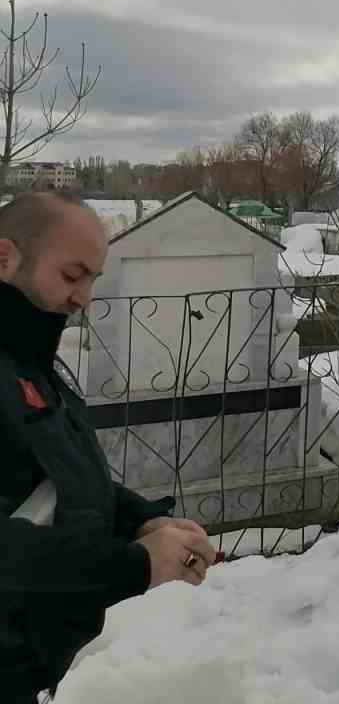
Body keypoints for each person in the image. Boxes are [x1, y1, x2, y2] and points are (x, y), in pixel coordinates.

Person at [0, 192, 217, 702]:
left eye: (93, 279)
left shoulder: (29, 360)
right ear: (4, 258)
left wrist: (142, 520)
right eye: (72, 275)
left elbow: (58, 481)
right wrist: (136, 565)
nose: (84, 299)